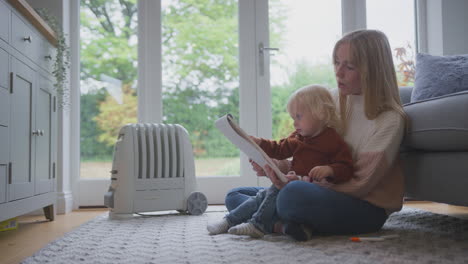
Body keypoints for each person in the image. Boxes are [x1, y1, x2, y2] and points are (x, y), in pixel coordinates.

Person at [224, 29, 407, 241]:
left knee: (290, 196)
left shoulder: (389, 120)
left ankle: (276, 220)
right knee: (235, 196)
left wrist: (298, 183)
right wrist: (277, 167)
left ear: (373, 70)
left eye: (349, 66)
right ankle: (284, 226)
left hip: (364, 207)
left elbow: (360, 184)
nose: (339, 72)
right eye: (337, 63)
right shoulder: (331, 99)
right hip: (318, 191)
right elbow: (306, 151)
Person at [207, 85, 354, 239]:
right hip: (288, 185)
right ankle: (279, 226)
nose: (294, 123)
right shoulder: (298, 137)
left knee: (269, 194)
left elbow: (347, 168)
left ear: (320, 113)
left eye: (298, 117)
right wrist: (257, 143)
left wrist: (330, 170)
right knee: (240, 196)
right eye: (293, 118)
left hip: (306, 192)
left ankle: (258, 224)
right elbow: (278, 149)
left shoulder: (333, 140)